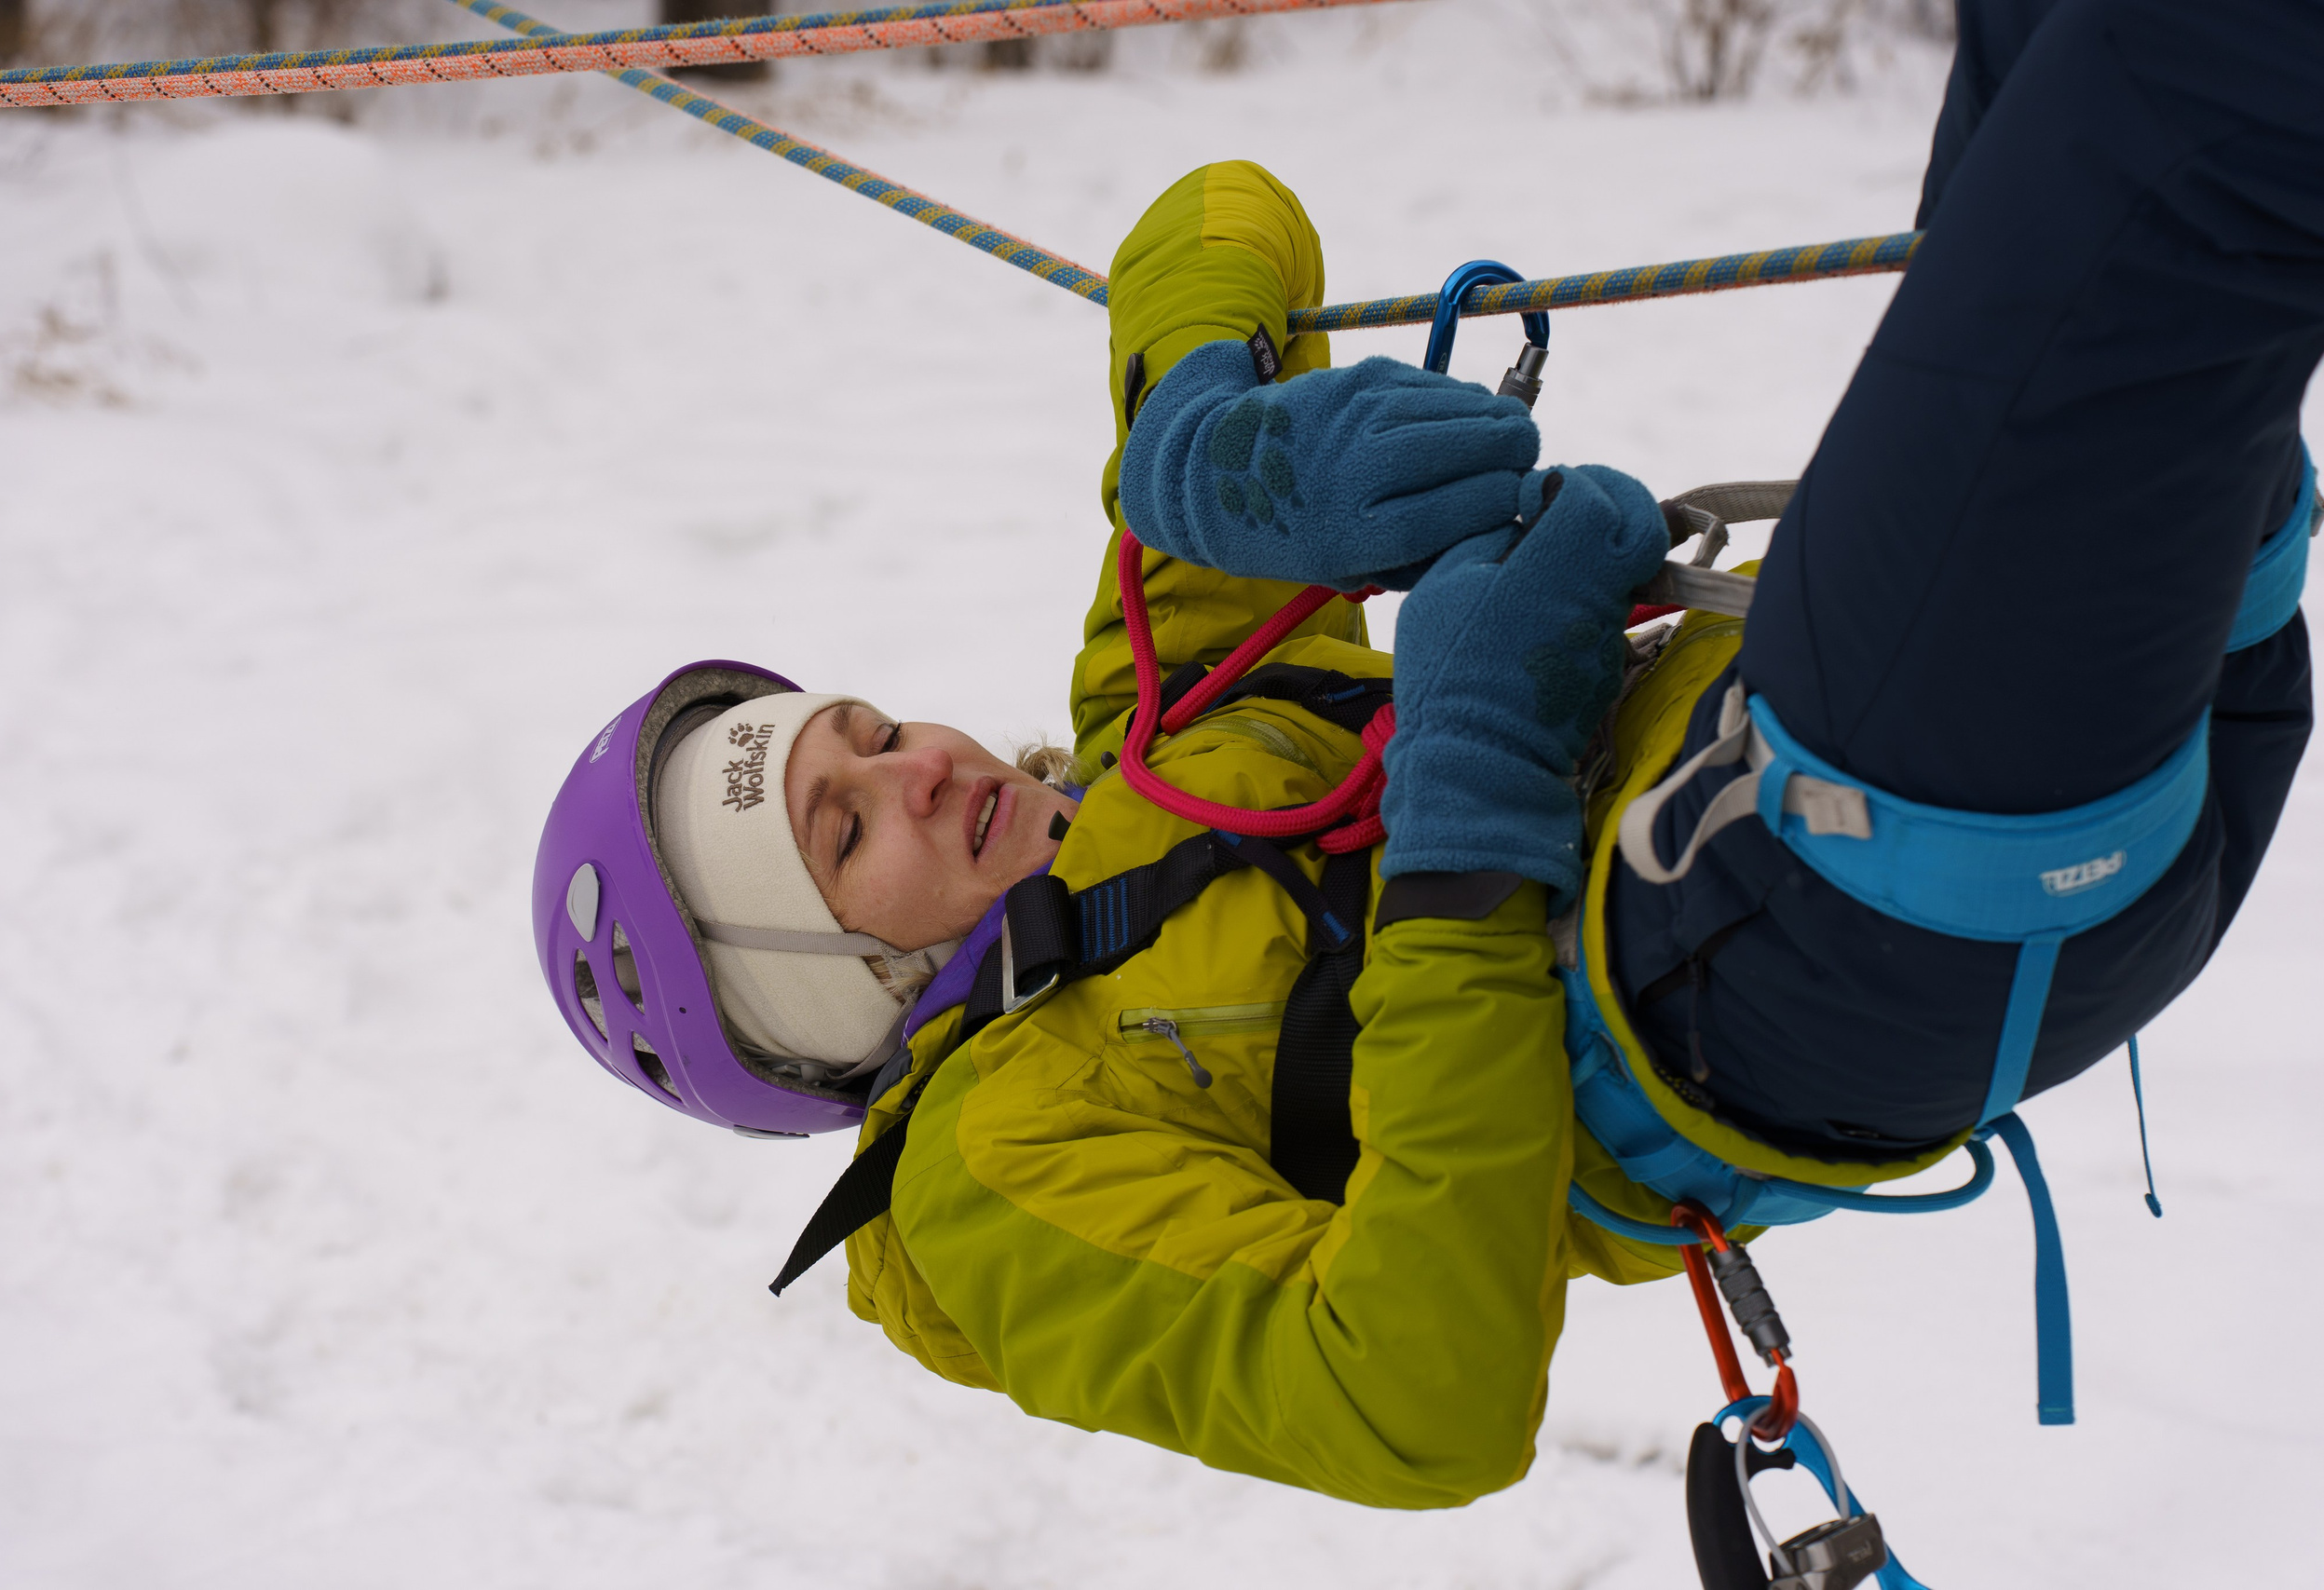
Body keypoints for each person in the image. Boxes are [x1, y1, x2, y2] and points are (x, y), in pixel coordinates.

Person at [532, 0, 2316, 1511]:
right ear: (823, 1005)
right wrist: (1467, 820)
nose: (916, 764)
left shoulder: (1160, 730)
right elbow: (1415, 1403)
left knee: (2092, 44)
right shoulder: (990, 1173)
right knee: (2181, 110)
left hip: (1924, 777)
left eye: (869, 730)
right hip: (1820, 929)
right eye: (846, 835)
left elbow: (1220, 214)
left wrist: (1198, 437)